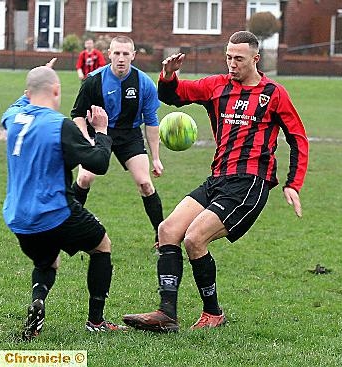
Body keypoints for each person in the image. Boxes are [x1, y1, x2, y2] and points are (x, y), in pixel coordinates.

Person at [122, 31, 309, 332]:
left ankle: (213, 313)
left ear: (255, 59)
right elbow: (174, 96)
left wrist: (292, 183)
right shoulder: (216, 86)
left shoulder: (273, 93)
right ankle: (166, 313)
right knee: (168, 229)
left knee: (195, 238)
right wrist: (169, 75)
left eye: (239, 59)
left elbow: (298, 138)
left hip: (250, 183)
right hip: (218, 178)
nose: (232, 64)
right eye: (228, 57)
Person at [1, 59, 127, 340]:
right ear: (56, 90)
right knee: (101, 245)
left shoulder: (13, 116)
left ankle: (39, 300)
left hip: (18, 217)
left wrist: (37, 77)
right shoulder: (60, 125)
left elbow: (22, 101)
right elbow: (99, 164)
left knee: (47, 262)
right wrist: (103, 132)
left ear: (28, 92)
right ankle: (96, 321)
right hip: (55, 211)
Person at [71, 35, 164, 244]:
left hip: (129, 135)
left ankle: (162, 237)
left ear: (133, 55)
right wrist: (87, 140)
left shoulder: (144, 83)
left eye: (125, 54)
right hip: (98, 133)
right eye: (116, 53)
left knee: (145, 184)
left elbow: (151, 121)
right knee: (84, 179)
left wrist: (156, 158)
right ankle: (70, 228)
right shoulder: (93, 80)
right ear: (109, 55)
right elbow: (77, 114)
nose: (121, 58)